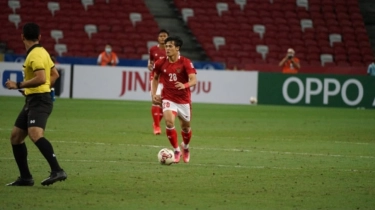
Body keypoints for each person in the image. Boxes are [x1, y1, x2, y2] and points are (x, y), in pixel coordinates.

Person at [4, 22, 67, 186]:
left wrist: (18, 85)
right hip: (34, 99)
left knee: (35, 134)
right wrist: (42, 87)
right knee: (16, 137)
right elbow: (54, 74)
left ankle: (57, 170)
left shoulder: (35, 55)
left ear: (22, 36)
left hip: (39, 100)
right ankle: (25, 177)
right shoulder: (42, 52)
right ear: (39, 37)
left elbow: (40, 77)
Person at [151, 36, 197, 163]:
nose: (167, 48)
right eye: (166, 46)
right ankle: (176, 150)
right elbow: (155, 78)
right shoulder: (160, 62)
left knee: (186, 128)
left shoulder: (185, 62)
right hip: (168, 98)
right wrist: (154, 93)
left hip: (183, 100)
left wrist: (185, 85)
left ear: (177, 48)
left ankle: (185, 147)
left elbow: (194, 80)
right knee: (169, 122)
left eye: (170, 46)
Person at [148, 29, 169, 135]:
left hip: (167, 79)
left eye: (165, 36)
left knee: (164, 103)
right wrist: (149, 65)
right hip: (155, 78)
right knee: (155, 100)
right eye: (161, 36)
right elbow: (151, 60)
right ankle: (156, 126)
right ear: (158, 38)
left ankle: (156, 122)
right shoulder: (153, 50)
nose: (162, 38)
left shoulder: (171, 50)